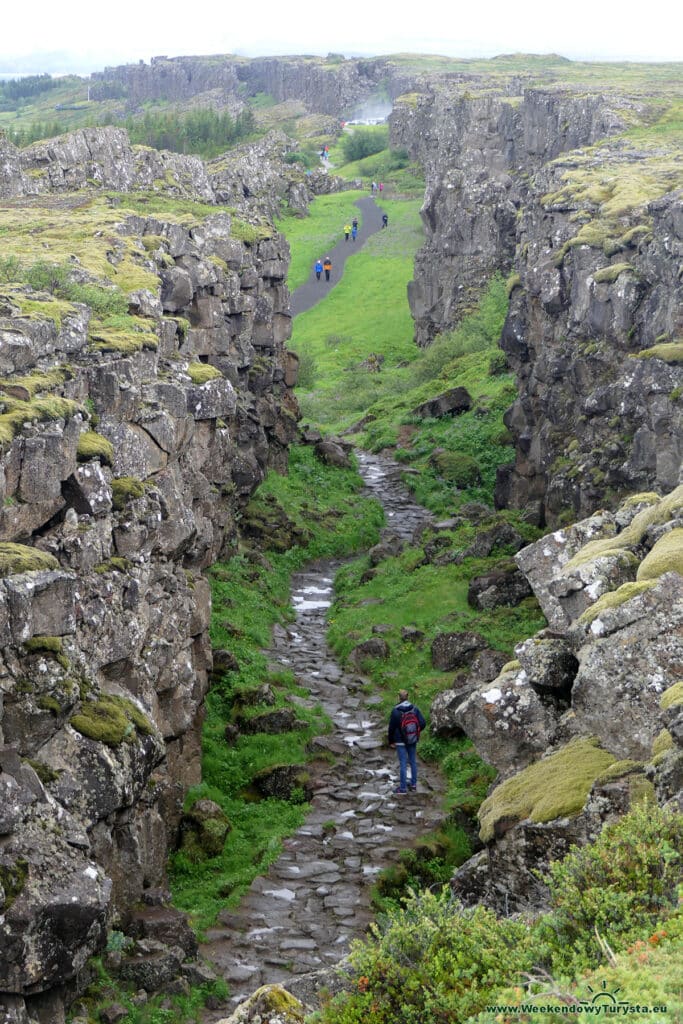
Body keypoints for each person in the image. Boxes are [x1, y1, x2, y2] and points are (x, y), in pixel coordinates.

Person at [388, 690, 426, 794]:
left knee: (403, 763)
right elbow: (423, 723)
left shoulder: (395, 711)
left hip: (400, 741)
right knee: (413, 762)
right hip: (412, 739)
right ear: (407, 697)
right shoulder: (414, 709)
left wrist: (391, 741)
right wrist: (415, 732)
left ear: (398, 697)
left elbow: (391, 728)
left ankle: (403, 788)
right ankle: (413, 785)